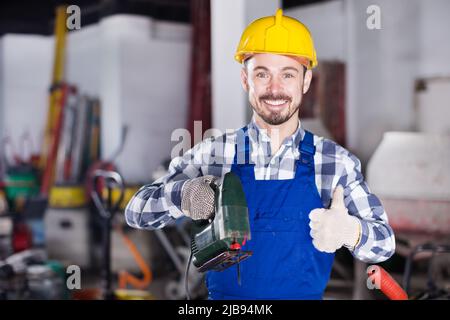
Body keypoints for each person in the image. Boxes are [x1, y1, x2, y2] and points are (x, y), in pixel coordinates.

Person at [125, 9, 395, 300]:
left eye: (288, 74)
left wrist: (350, 232)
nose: (275, 89)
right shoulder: (214, 153)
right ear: (245, 80)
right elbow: (135, 212)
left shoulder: (334, 163)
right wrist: (182, 196)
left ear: (305, 82)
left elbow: (385, 243)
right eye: (262, 74)